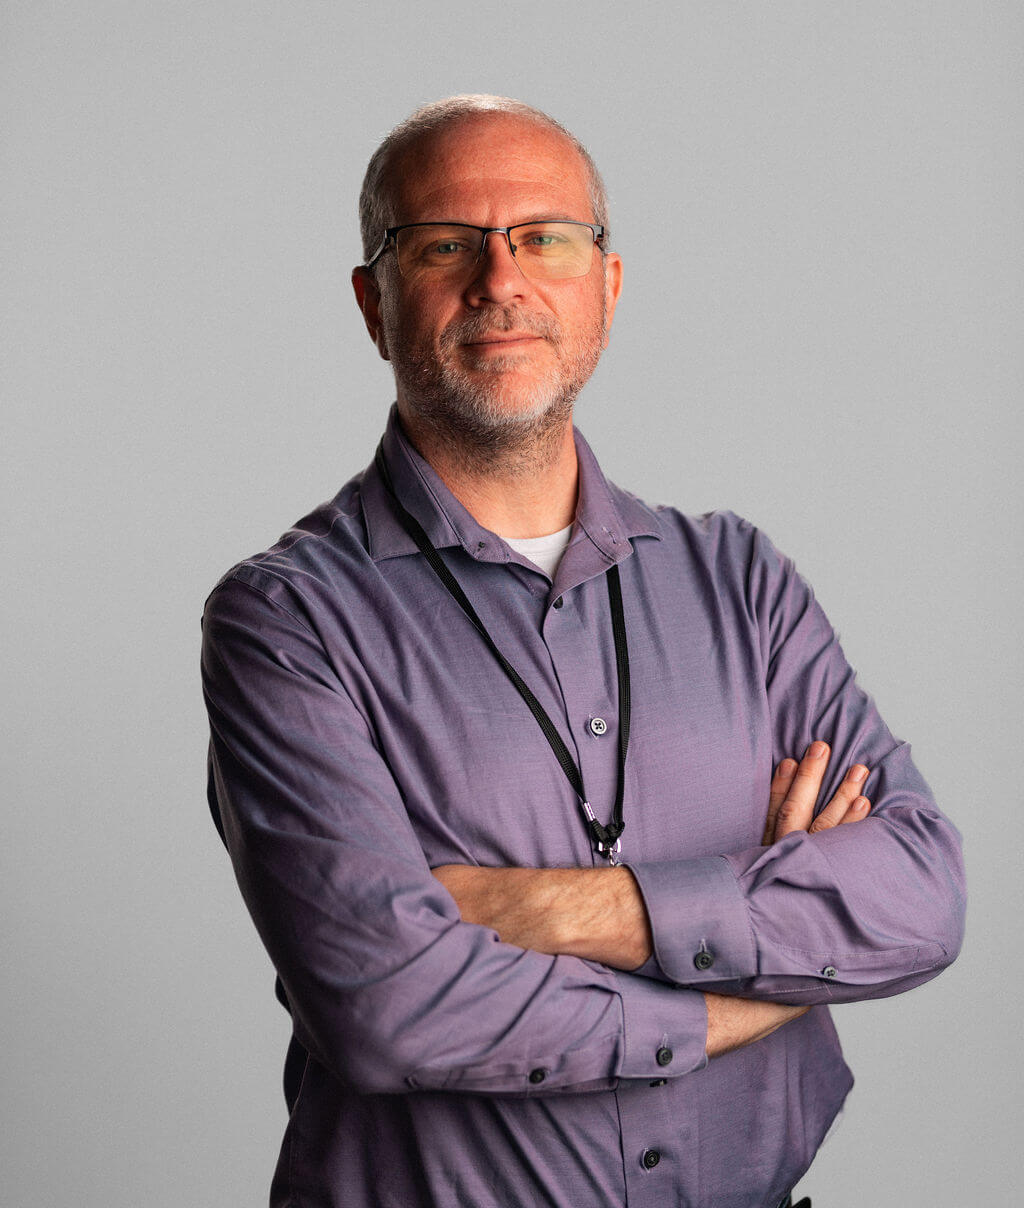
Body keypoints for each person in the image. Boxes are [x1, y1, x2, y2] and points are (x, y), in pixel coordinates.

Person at [201, 94, 965, 1208]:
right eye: (444, 243)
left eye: (545, 237)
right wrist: (739, 985)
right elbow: (385, 1004)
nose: (499, 279)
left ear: (605, 288)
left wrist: (547, 909)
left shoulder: (737, 580)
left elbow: (918, 894)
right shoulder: (286, 620)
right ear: (374, 301)